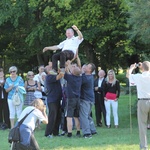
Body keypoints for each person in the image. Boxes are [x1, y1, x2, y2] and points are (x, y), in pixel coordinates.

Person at [127, 61, 150, 150]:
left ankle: (144, 147)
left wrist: (132, 68)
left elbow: (128, 76)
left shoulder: (138, 77)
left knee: (142, 125)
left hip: (142, 101)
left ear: (142, 68)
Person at [64, 61, 82, 137]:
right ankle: (78, 131)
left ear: (73, 72)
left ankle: (70, 133)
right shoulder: (80, 78)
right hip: (78, 99)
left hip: (71, 98)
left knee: (69, 116)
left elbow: (65, 71)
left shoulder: (70, 77)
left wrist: (67, 64)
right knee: (76, 116)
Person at [44, 67, 64, 138]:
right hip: (52, 99)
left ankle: (56, 132)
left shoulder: (54, 76)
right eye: (50, 69)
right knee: (52, 116)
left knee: (58, 116)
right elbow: (60, 75)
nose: (53, 69)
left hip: (57, 99)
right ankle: (48, 133)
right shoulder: (49, 77)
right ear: (48, 72)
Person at [80, 63, 97, 138]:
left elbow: (78, 79)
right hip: (90, 99)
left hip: (86, 99)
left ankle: (87, 133)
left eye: (87, 66)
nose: (85, 67)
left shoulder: (86, 78)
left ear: (90, 70)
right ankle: (93, 130)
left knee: (84, 116)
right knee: (87, 116)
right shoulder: (90, 77)